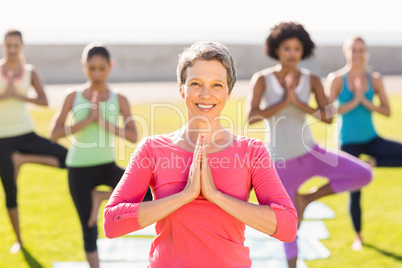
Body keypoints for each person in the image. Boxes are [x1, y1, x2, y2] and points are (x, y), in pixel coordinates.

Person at [103, 41, 298, 267]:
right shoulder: (152, 149)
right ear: (181, 87)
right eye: (196, 83)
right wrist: (185, 195)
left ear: (228, 91)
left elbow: (287, 226)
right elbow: (112, 223)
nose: (206, 94)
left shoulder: (251, 152)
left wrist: (215, 195)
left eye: (217, 85)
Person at [245, 22, 373, 268]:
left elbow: (329, 118)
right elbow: (252, 117)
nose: (292, 53)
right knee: (289, 225)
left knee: (363, 174)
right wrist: (285, 101)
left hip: (312, 153)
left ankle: (308, 199)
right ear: (276, 50)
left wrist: (298, 102)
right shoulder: (263, 79)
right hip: (281, 161)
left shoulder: (311, 79)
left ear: (303, 51)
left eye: (297, 48)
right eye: (287, 48)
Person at [49, 43, 152, 268]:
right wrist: (86, 120)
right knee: (89, 226)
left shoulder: (119, 99)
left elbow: (133, 135)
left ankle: (100, 197)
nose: (96, 74)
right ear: (83, 66)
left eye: (101, 68)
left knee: (146, 195)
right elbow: (54, 134)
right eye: (91, 68)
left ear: (110, 66)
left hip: (107, 165)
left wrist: (102, 121)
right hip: (78, 168)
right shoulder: (72, 96)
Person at [326, 35, 402, 251]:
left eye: (361, 50)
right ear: (346, 52)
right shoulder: (337, 79)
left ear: (366, 52)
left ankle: (374, 163)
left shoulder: (375, 78)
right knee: (355, 189)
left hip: (371, 138)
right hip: (347, 142)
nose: (358, 54)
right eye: (354, 50)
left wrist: (366, 101)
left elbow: (387, 111)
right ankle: (358, 236)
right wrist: (355, 100)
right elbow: (327, 113)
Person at [0, 29, 68, 253]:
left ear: (21, 46)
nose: (11, 49)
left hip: (26, 133)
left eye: (15, 45)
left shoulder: (30, 71)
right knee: (10, 190)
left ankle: (23, 160)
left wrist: (19, 96)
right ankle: (19, 241)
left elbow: (43, 100)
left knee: (67, 158)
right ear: (3, 46)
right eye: (8, 45)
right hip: (3, 139)